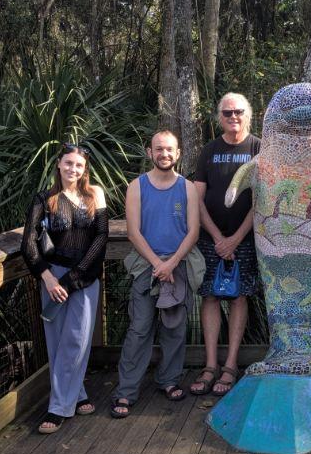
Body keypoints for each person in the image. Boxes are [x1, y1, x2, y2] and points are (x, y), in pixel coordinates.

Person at [111, 130, 199, 417]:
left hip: (178, 264)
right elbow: (133, 232)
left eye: (170, 149)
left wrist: (172, 263)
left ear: (178, 153)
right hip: (145, 266)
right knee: (140, 328)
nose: (164, 154)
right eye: (159, 149)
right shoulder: (137, 186)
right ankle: (126, 391)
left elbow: (193, 231)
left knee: (174, 326)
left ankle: (169, 380)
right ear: (149, 152)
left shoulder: (187, 188)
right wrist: (157, 265)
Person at [21, 143, 108, 434]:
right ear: (59, 164)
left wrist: (76, 277)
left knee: (77, 339)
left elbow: (101, 237)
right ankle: (77, 394)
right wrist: (46, 277)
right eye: (68, 163)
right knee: (57, 341)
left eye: (79, 165)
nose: (73, 169)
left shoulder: (95, 194)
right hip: (53, 278)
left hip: (84, 277)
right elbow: (29, 243)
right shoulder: (44, 199)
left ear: (85, 169)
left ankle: (57, 408)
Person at [190, 93, 261, 396]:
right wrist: (218, 238)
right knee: (210, 297)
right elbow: (197, 197)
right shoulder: (209, 151)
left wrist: (235, 238)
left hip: (244, 238)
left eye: (239, 111)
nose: (234, 117)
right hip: (210, 238)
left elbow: (262, 201)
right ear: (219, 116)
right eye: (227, 112)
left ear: (249, 114)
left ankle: (230, 365)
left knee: (238, 297)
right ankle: (209, 366)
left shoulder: (259, 148)